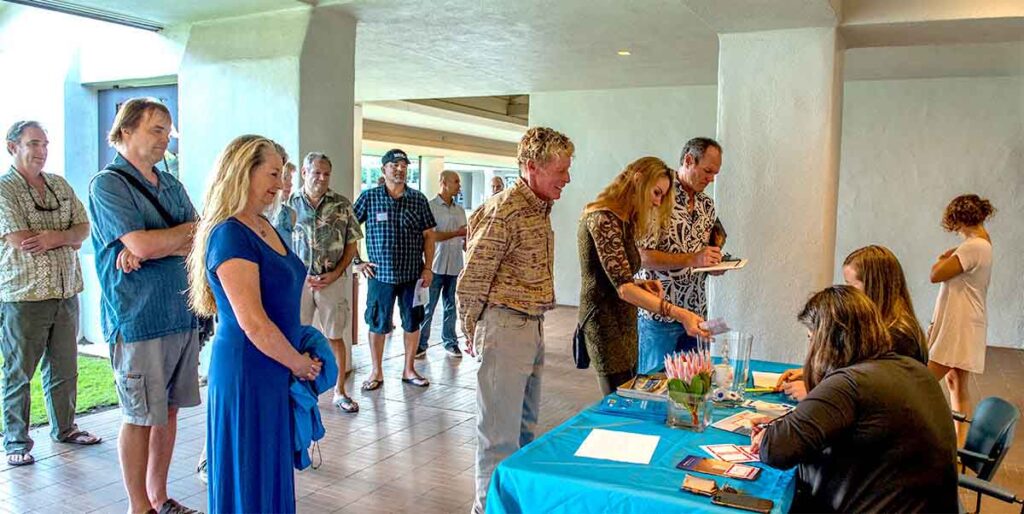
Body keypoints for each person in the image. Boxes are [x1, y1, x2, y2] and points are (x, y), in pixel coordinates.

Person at [186, 135, 321, 514]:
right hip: (248, 370)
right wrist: (300, 364)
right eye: (273, 173)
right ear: (243, 170)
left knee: (268, 467)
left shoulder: (262, 224)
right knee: (248, 472)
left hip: (273, 367)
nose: (280, 184)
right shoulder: (230, 233)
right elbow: (254, 323)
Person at [88, 97, 201, 514]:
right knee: (139, 415)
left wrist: (158, 243)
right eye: (156, 130)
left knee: (168, 411)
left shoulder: (169, 182)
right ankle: (140, 506)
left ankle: (160, 497)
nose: (164, 140)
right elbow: (141, 244)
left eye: (167, 132)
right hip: (136, 319)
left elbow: (200, 234)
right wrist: (159, 241)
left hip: (180, 314)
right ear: (126, 130)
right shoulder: (108, 184)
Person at [752, 286, 958, 513]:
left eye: (811, 338)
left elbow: (776, 449)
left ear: (828, 339)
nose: (810, 348)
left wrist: (768, 434)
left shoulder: (849, 383)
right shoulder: (912, 368)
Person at [457, 127, 573, 513]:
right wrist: (470, 329)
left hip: (530, 324)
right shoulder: (505, 210)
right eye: (561, 170)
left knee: (523, 434)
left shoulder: (538, 208)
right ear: (531, 167)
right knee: (498, 438)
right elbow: (472, 277)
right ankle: (485, 509)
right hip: (504, 327)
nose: (567, 179)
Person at [0, 121, 101, 467]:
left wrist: (53, 238)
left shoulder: (58, 184)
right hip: (24, 295)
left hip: (65, 290)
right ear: (12, 147)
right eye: (33, 144)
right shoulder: (4, 190)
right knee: (18, 370)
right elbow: (20, 239)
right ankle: (16, 439)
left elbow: (84, 228)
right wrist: (64, 235)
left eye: (45, 144)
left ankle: (65, 428)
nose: (41, 151)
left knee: (65, 365)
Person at [577, 157, 709, 395]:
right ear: (638, 180)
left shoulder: (623, 219)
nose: (657, 202)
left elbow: (617, 278)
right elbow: (622, 288)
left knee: (630, 390)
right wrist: (679, 313)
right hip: (605, 321)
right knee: (618, 400)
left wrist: (641, 283)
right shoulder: (603, 217)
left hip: (625, 319)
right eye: (656, 193)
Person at [776, 245, 929, 400]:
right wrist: (811, 373)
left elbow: (870, 390)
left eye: (851, 284)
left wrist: (813, 393)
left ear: (874, 286)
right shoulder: (880, 324)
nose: (847, 291)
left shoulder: (897, 336)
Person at [636, 137, 725, 374]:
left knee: (695, 389)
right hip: (660, 316)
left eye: (715, 173)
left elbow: (703, 251)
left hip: (697, 313)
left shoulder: (707, 205)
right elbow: (641, 256)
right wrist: (691, 259)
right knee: (654, 390)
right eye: (707, 171)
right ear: (688, 160)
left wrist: (713, 263)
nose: (711, 179)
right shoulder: (660, 194)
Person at [353, 148, 435, 390]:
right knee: (377, 322)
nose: (399, 169)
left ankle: (409, 369)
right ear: (384, 169)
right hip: (380, 275)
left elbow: (429, 236)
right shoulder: (370, 197)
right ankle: (376, 372)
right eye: (394, 165)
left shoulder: (418, 199)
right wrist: (358, 262)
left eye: (403, 166)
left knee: (413, 322)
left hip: (412, 275)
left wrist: (428, 268)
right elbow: (349, 230)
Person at [290, 152, 362, 412]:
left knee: (334, 336)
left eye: (326, 174)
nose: (321, 178)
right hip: (298, 283)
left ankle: (340, 391)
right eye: (316, 172)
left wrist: (335, 273)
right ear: (304, 173)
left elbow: (352, 245)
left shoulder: (341, 204)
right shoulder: (288, 204)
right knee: (295, 336)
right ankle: (296, 391)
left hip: (331, 281)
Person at [927, 194, 995, 447]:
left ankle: (924, 434)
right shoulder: (983, 243)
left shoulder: (974, 245)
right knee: (956, 381)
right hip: (967, 320)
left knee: (923, 380)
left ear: (957, 220)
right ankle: (959, 443)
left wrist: (941, 258)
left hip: (961, 324)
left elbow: (935, 274)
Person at [416, 170, 468, 359]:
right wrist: (455, 233)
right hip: (435, 266)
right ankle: (421, 344)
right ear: (444, 183)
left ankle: (450, 342)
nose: (459, 186)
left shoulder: (460, 210)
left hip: (455, 266)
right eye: (456, 182)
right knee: (428, 306)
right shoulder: (430, 207)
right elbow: (431, 236)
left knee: (451, 307)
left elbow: (464, 238)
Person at [270, 161, 297, 252]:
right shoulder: (257, 213)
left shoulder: (291, 214)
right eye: (285, 178)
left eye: (291, 179)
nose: (290, 184)